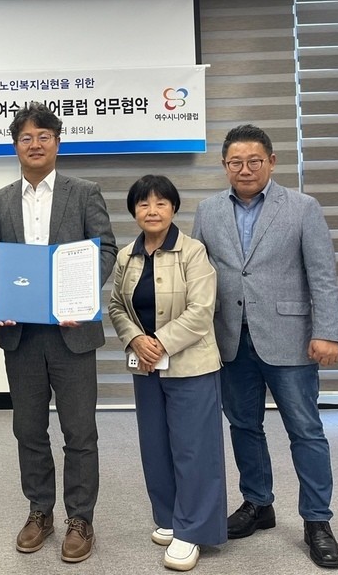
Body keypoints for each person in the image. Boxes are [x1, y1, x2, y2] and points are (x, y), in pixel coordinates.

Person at [192, 124, 338, 570]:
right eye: (235, 162)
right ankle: (258, 503)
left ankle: (317, 520)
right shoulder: (208, 211)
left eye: (254, 161)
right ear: (224, 165)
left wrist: (327, 331)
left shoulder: (302, 208)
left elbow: (323, 274)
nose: (245, 169)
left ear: (272, 162)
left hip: (290, 338)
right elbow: (198, 274)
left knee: (305, 430)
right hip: (230, 339)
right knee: (244, 426)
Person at [0, 103, 117, 564]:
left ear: (57, 142)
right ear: (15, 145)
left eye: (44, 136)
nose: (35, 144)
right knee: (28, 429)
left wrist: (80, 295)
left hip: (71, 333)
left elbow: (106, 249)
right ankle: (40, 511)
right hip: (22, 334)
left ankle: (81, 518)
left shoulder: (85, 192)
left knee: (80, 430)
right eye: (26, 138)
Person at [107, 175, 226, 572]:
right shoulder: (126, 256)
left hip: (191, 365)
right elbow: (117, 306)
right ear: (134, 212)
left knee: (194, 448)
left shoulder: (193, 252)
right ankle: (171, 517)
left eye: (161, 203)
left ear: (174, 208)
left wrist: (158, 341)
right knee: (155, 445)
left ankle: (193, 530)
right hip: (146, 366)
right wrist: (134, 339)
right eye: (143, 204)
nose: (152, 210)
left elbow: (201, 311)